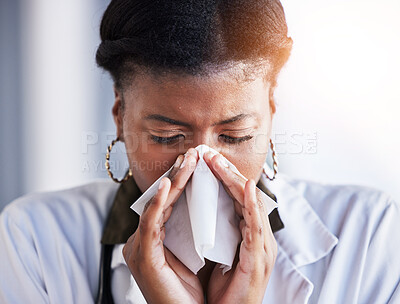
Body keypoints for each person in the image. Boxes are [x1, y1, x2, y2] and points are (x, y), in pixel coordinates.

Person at [0, 0, 399, 303]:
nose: (201, 170)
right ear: (120, 115)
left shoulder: (371, 236)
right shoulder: (36, 239)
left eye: (236, 135)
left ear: (271, 111)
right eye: (167, 136)